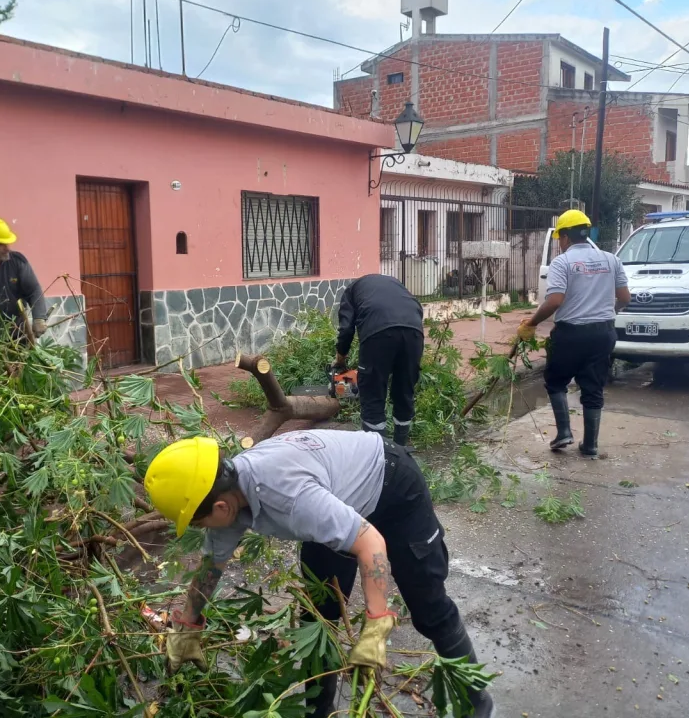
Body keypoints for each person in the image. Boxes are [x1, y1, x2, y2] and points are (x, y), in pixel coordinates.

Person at [145, 430, 495, 718]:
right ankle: (319, 711)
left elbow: (370, 542)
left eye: (198, 521)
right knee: (320, 616)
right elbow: (211, 566)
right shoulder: (227, 493)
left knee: (429, 608)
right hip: (337, 500)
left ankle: (477, 702)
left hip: (393, 488)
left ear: (220, 506)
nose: (203, 529)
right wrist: (187, 628)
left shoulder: (291, 497)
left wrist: (376, 627)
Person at [518, 209, 630, 457]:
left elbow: (555, 300)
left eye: (560, 238)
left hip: (570, 335)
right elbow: (624, 298)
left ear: (565, 237)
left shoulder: (562, 262)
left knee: (556, 381)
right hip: (603, 333)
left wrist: (532, 323)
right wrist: (605, 312)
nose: (560, 243)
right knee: (593, 388)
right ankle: (590, 446)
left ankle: (564, 432)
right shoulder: (612, 260)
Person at [334, 274, 424, 446]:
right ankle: (400, 450)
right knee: (404, 392)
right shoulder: (396, 284)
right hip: (414, 332)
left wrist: (340, 359)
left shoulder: (350, 292)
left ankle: (379, 454)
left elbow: (346, 331)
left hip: (378, 334)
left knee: (373, 395)